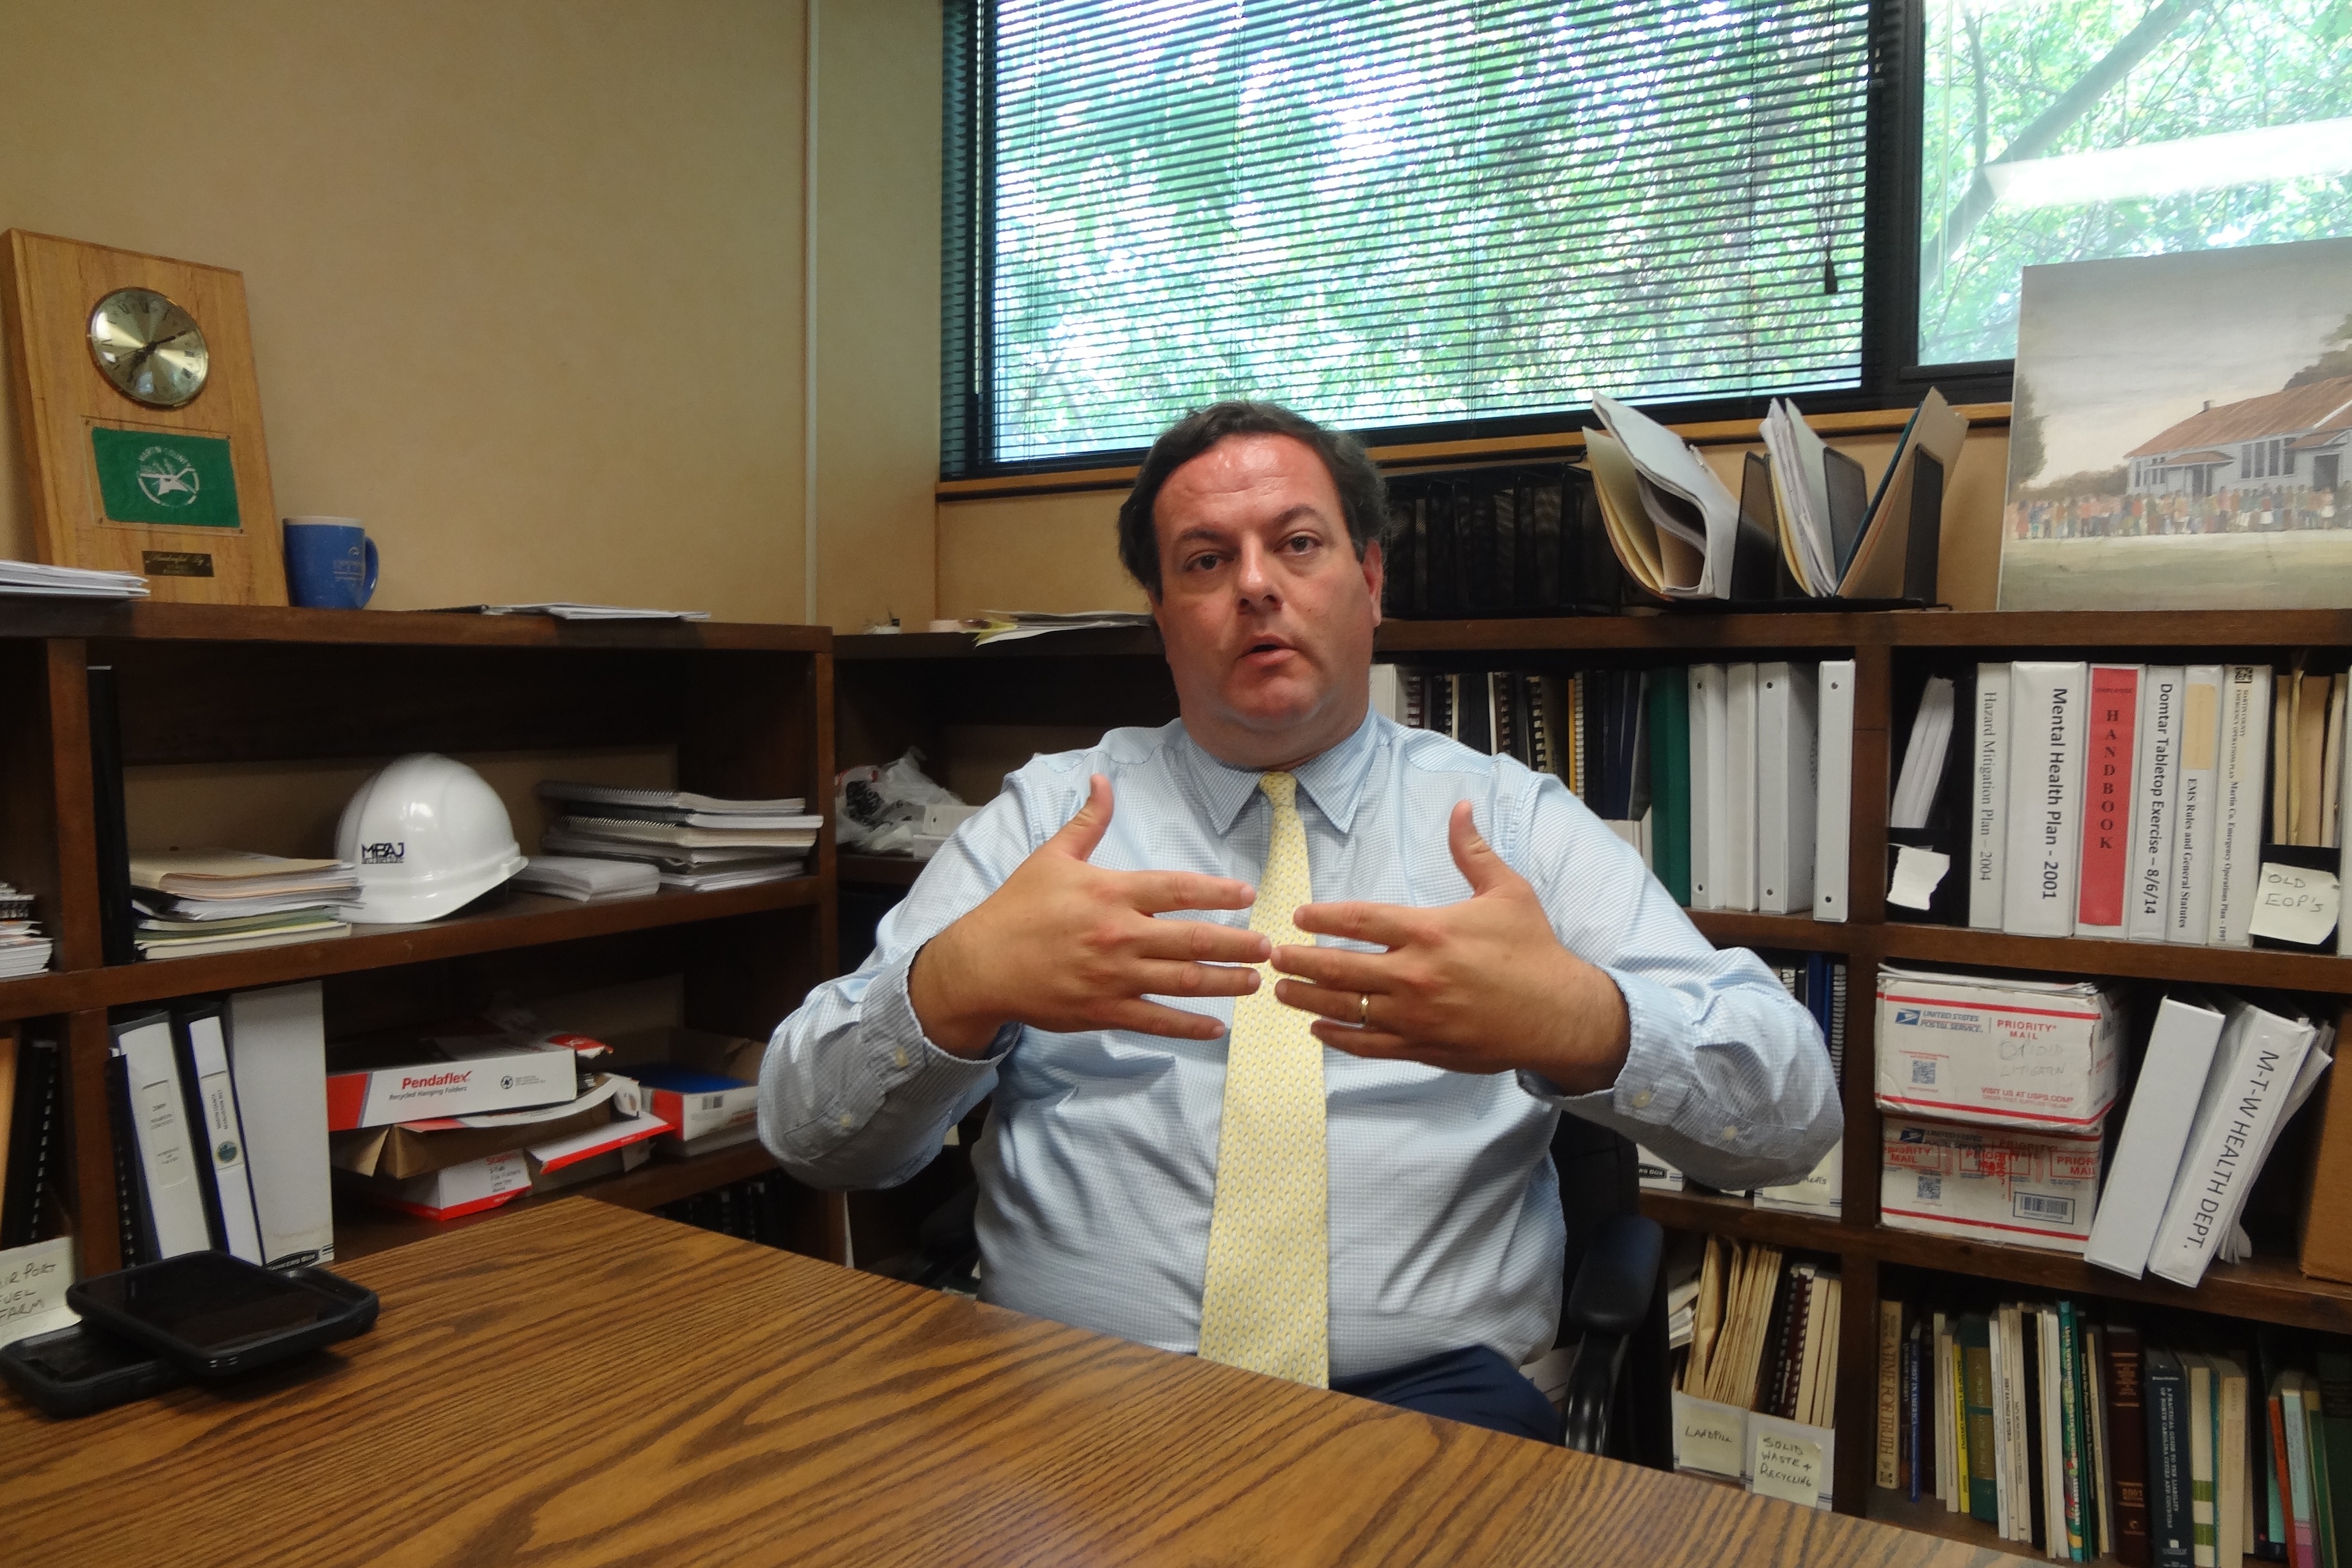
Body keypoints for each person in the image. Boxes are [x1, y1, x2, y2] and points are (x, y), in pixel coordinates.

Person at [761, 400, 1840, 1442]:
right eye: (1204, 560)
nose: (1256, 586)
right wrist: (954, 989)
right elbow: (808, 1136)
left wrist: (1585, 1025)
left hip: (1428, 1410)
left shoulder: (1510, 821)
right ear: (1163, 616)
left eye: (1299, 543)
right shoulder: (1053, 821)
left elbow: (1793, 1119)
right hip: (1066, 1394)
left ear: (1369, 580)